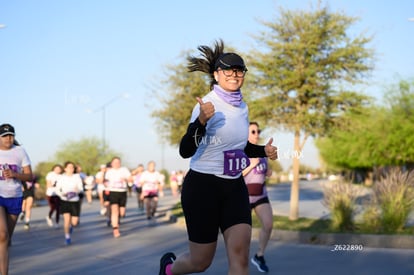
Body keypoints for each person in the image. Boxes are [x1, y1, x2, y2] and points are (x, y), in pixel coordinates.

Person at [158, 40, 278, 275]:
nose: (234, 75)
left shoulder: (242, 107)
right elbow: (185, 150)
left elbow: (238, 146)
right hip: (203, 187)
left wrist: (262, 150)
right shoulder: (207, 104)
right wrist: (201, 121)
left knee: (240, 258)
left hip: (234, 187)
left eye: (239, 70)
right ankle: (169, 269)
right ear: (216, 74)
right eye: (228, 70)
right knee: (201, 262)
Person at [0, 123, 33, 275]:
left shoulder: (20, 151)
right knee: (3, 235)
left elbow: (29, 176)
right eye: (5, 136)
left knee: (6, 241)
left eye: (11, 135)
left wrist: (15, 175)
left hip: (15, 196)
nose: (8, 138)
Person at [242, 122, 274, 273]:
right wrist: (251, 166)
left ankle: (259, 255)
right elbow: (234, 175)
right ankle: (240, 260)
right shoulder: (241, 151)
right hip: (243, 197)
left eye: (258, 131)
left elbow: (265, 171)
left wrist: (268, 172)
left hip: (261, 194)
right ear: (246, 133)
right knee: (243, 233)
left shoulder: (262, 152)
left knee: (268, 225)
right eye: (253, 131)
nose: (257, 134)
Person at [55, 161, 84, 245]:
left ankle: (71, 227)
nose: (71, 169)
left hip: (75, 200)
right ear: (65, 169)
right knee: (66, 219)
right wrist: (62, 194)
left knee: (74, 222)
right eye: (69, 167)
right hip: (65, 200)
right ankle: (67, 236)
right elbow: (57, 189)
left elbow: (81, 188)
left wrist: (77, 190)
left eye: (72, 167)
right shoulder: (61, 177)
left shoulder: (77, 177)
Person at [105, 156, 131, 238]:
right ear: (112, 163)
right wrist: (106, 184)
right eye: (115, 162)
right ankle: (115, 229)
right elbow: (105, 181)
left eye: (118, 162)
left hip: (122, 192)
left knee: (122, 212)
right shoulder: (109, 172)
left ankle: (118, 219)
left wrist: (126, 180)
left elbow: (131, 179)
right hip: (113, 192)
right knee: (114, 210)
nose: (116, 164)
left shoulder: (124, 170)